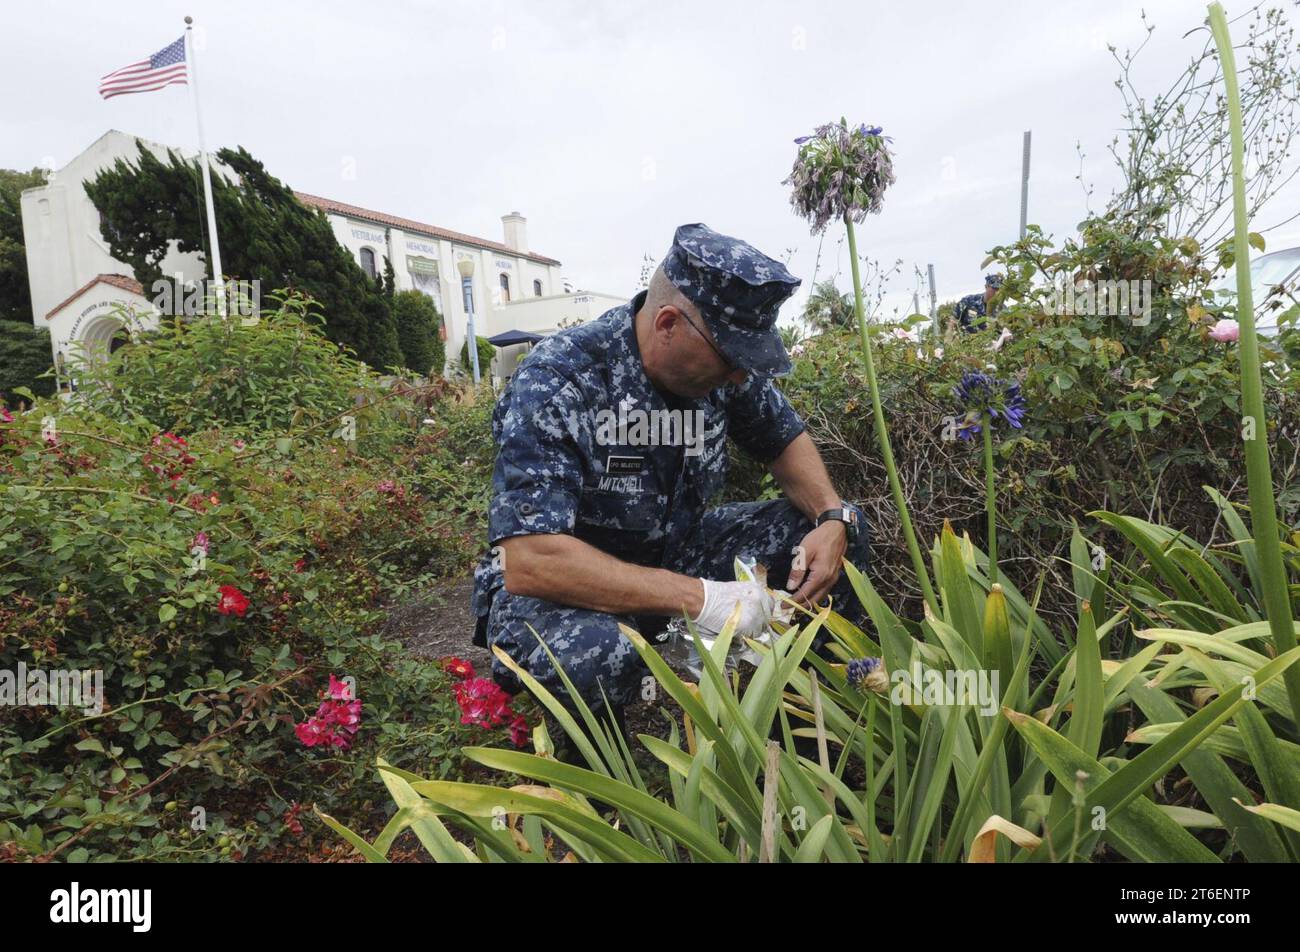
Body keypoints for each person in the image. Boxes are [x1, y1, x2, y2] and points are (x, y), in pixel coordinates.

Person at [470, 223, 871, 721]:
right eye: (731, 360)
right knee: (595, 653)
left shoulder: (721, 367)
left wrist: (831, 517)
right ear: (667, 324)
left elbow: (782, 438)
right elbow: (532, 561)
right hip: (567, 590)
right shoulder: (560, 380)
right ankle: (594, 784)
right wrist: (703, 599)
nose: (741, 376)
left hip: (680, 552)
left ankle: (804, 720)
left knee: (831, 535)